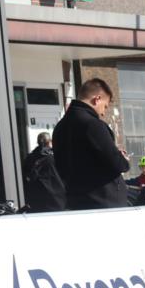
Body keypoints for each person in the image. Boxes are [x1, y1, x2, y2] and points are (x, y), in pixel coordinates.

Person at [52, 78, 130, 209]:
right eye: (105, 106)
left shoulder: (60, 127)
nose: (103, 113)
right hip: (104, 200)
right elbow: (116, 163)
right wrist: (123, 159)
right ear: (97, 99)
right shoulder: (93, 125)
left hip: (74, 200)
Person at [22, 132, 65, 212]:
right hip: (55, 199)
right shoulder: (52, 157)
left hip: (36, 199)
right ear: (49, 142)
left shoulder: (30, 158)